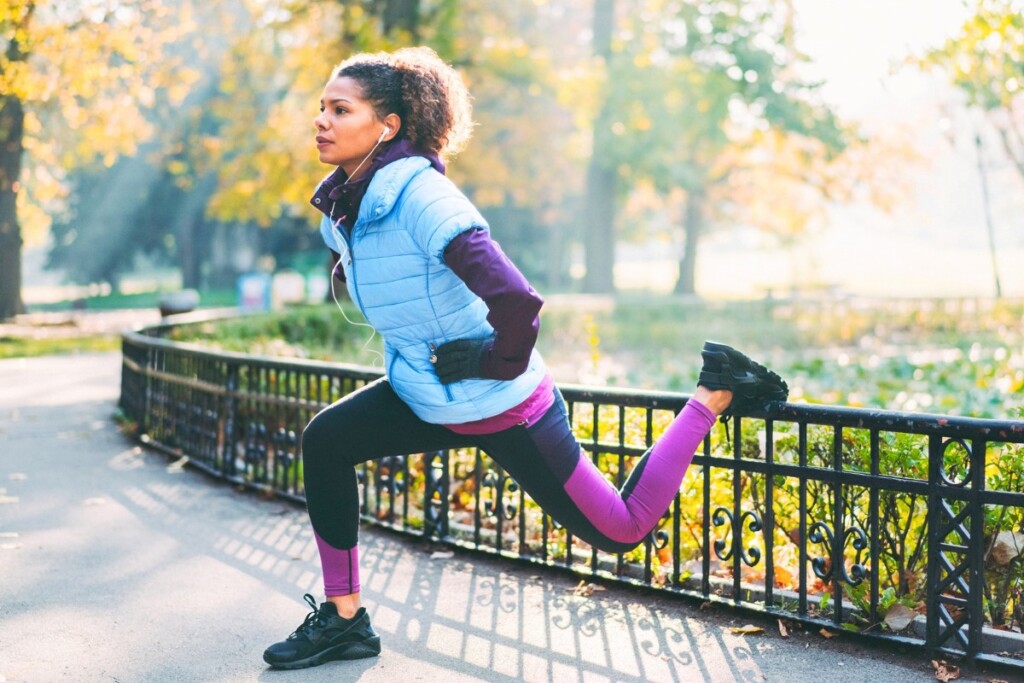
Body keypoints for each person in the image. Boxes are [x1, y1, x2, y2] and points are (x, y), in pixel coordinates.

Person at [262, 46, 788, 670]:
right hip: (428, 396)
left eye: (340, 109)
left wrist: (494, 362)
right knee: (326, 441)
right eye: (321, 108)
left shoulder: (426, 200)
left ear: (388, 126)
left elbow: (517, 303)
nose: (321, 120)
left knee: (623, 530)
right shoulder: (350, 209)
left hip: (506, 407)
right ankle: (345, 621)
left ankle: (714, 392)